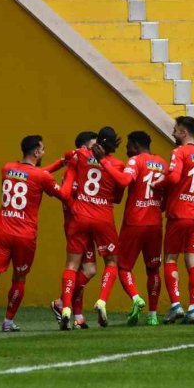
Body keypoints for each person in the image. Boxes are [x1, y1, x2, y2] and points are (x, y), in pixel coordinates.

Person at [0, 135, 65, 333]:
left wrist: (60, 163)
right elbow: (62, 194)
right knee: (19, 278)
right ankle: (7, 321)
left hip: (3, 230)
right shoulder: (42, 177)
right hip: (25, 235)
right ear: (36, 152)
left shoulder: (7, 168)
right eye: (42, 149)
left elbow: (32, 175)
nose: (44, 152)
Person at [92, 131, 165, 326]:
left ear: (135, 145)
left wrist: (103, 162)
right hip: (156, 222)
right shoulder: (162, 164)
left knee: (122, 266)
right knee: (153, 269)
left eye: (128, 146)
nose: (126, 150)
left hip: (135, 221)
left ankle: (136, 298)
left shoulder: (136, 161)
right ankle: (153, 315)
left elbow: (124, 181)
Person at [57, 126, 125, 330]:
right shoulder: (117, 164)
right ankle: (102, 300)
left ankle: (66, 307)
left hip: (79, 216)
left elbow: (69, 159)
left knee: (72, 265)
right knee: (112, 262)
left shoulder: (81, 156)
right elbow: (119, 198)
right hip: (103, 217)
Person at [161, 116, 194, 325]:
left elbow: (173, 178)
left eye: (175, 130)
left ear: (183, 132)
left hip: (179, 214)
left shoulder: (179, 152)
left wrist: (158, 182)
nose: (173, 134)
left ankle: (175, 305)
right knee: (193, 261)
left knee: (170, 259)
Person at [49, 131, 99, 329]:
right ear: (83, 149)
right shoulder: (72, 170)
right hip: (77, 225)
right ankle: (62, 303)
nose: (96, 150)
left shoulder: (86, 169)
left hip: (85, 224)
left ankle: (76, 314)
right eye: (93, 146)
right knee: (88, 269)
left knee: (82, 269)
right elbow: (67, 198)